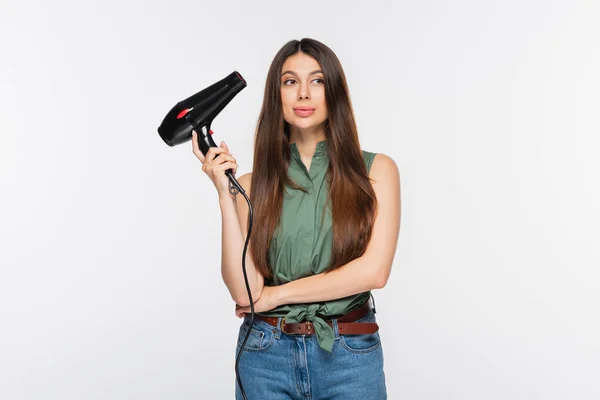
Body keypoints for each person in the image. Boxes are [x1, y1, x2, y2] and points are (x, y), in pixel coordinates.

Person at [192, 38, 401, 400]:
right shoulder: (250, 186)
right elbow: (245, 292)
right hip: (265, 355)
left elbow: (374, 272)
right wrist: (225, 195)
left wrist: (275, 296)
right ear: (277, 95)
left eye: (317, 81)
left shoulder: (376, 171)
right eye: (290, 82)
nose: (303, 93)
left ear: (334, 91)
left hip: (350, 356)